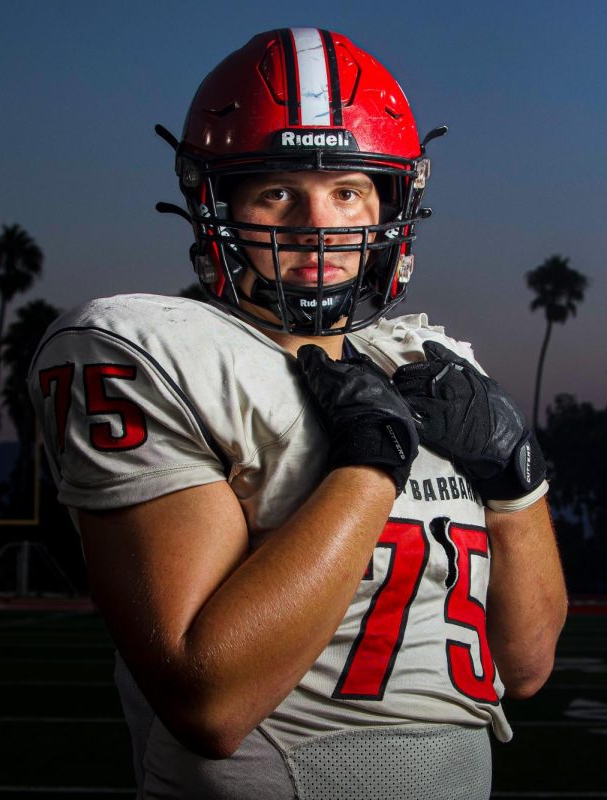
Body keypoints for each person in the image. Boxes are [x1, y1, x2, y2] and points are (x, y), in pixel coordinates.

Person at [29, 28, 568, 800]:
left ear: (392, 204)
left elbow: (527, 667)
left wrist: (519, 483)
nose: (319, 224)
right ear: (214, 204)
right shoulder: (150, 351)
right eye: (276, 191)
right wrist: (368, 467)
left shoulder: (429, 365)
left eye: (348, 191)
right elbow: (208, 703)